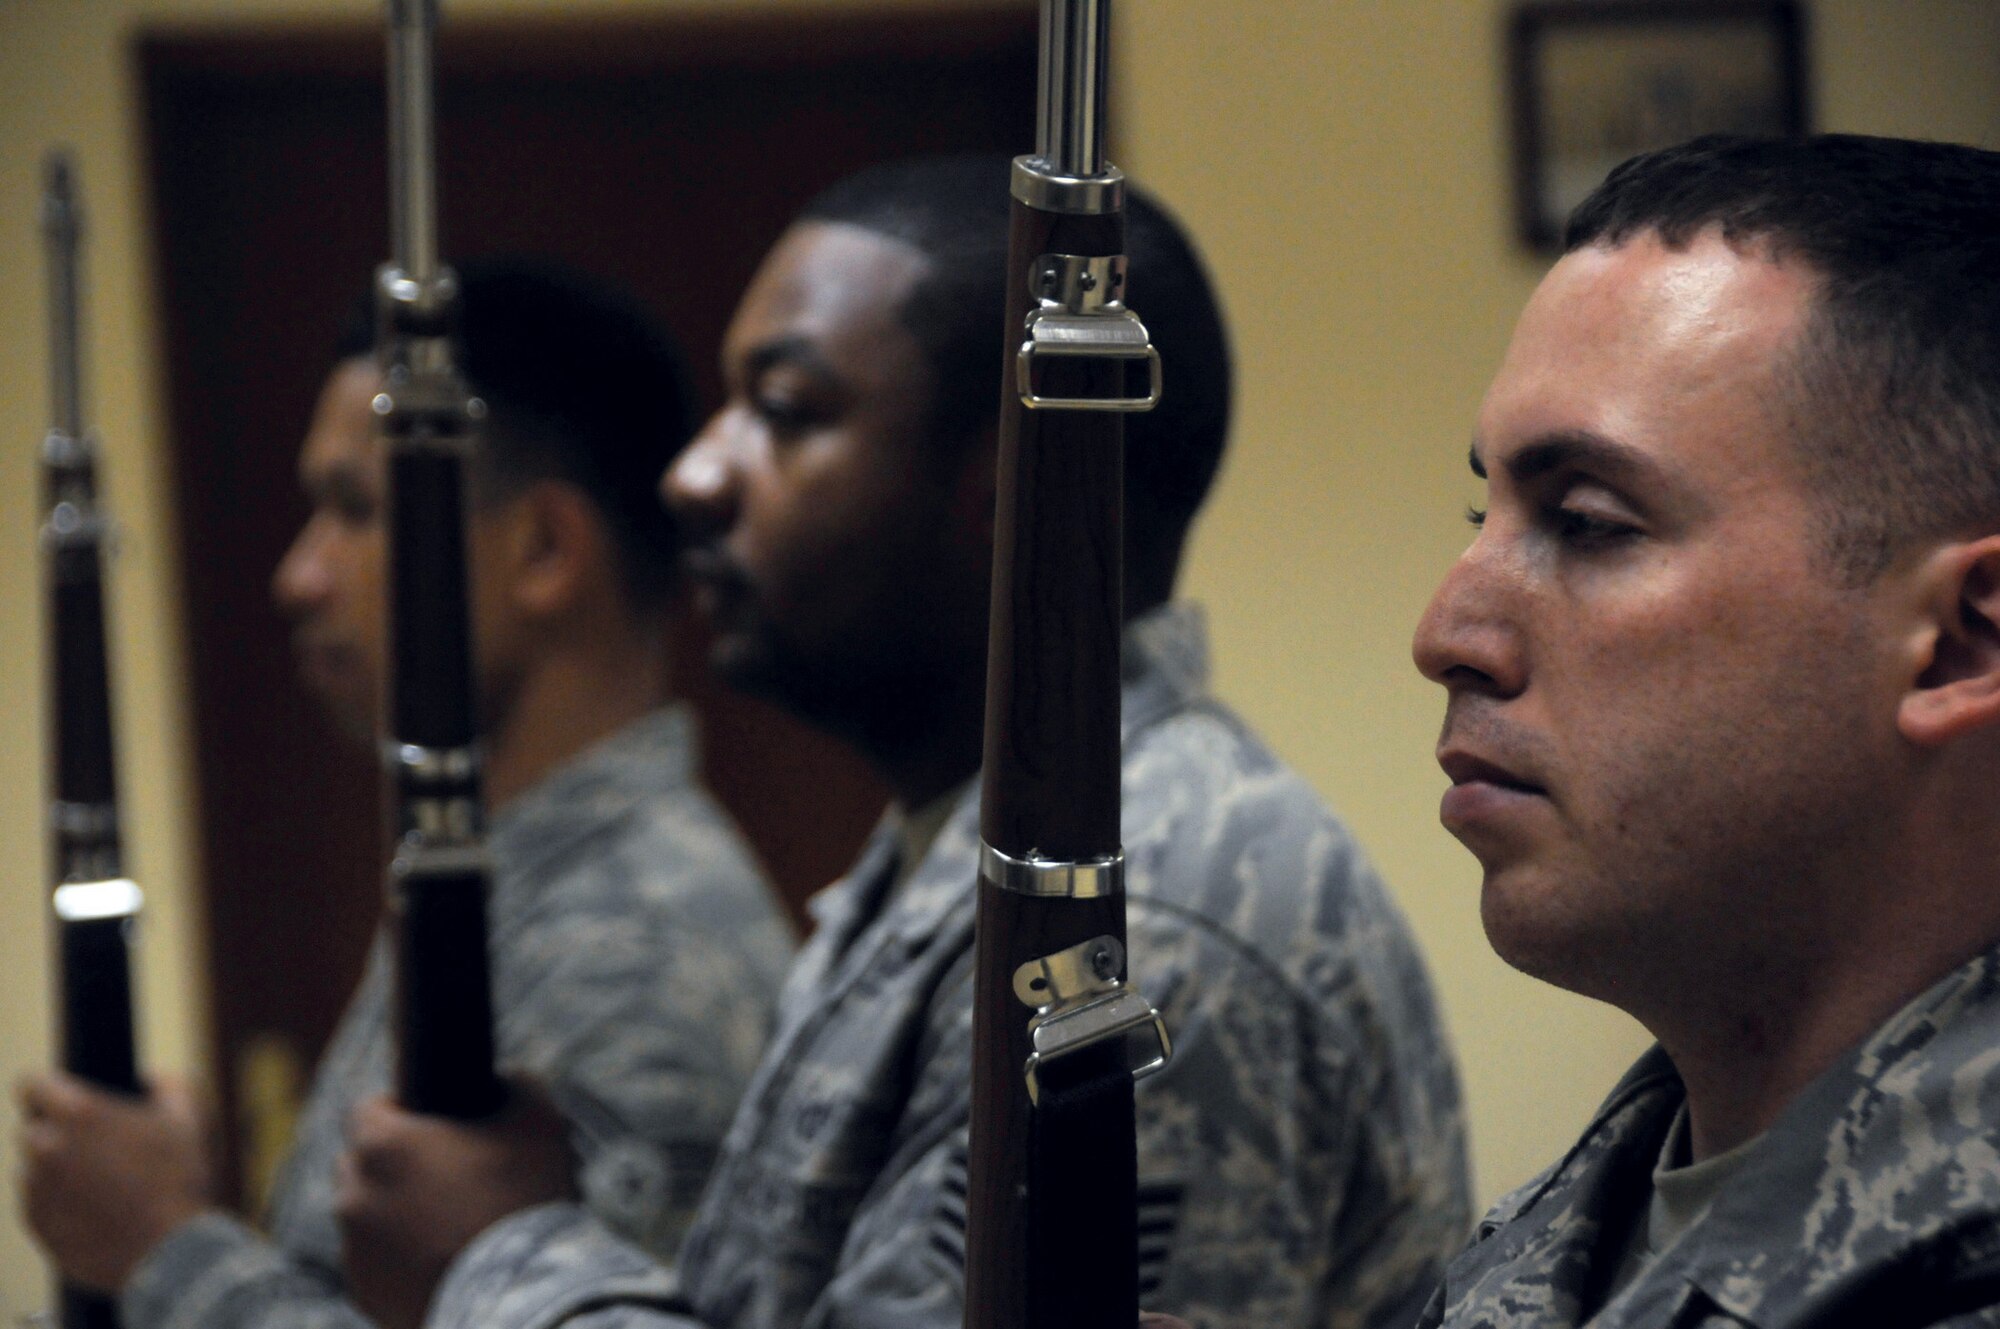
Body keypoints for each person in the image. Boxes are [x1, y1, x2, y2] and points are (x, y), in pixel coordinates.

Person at [334, 156, 1471, 1329]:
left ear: (1016, 487)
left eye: (783, 412)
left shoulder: (1142, 919)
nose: (692, 476)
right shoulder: (973, 843)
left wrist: (503, 1257)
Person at [17, 259, 796, 1329]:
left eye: (354, 508)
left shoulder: (634, 959)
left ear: (542, 549)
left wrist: (165, 1244)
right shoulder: (509, 889)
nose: (299, 576)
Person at [1409, 134, 2000, 1327]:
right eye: (1486, 511)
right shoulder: (1604, 1204)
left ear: (1956, 643)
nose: (1445, 633)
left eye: (1585, 522)